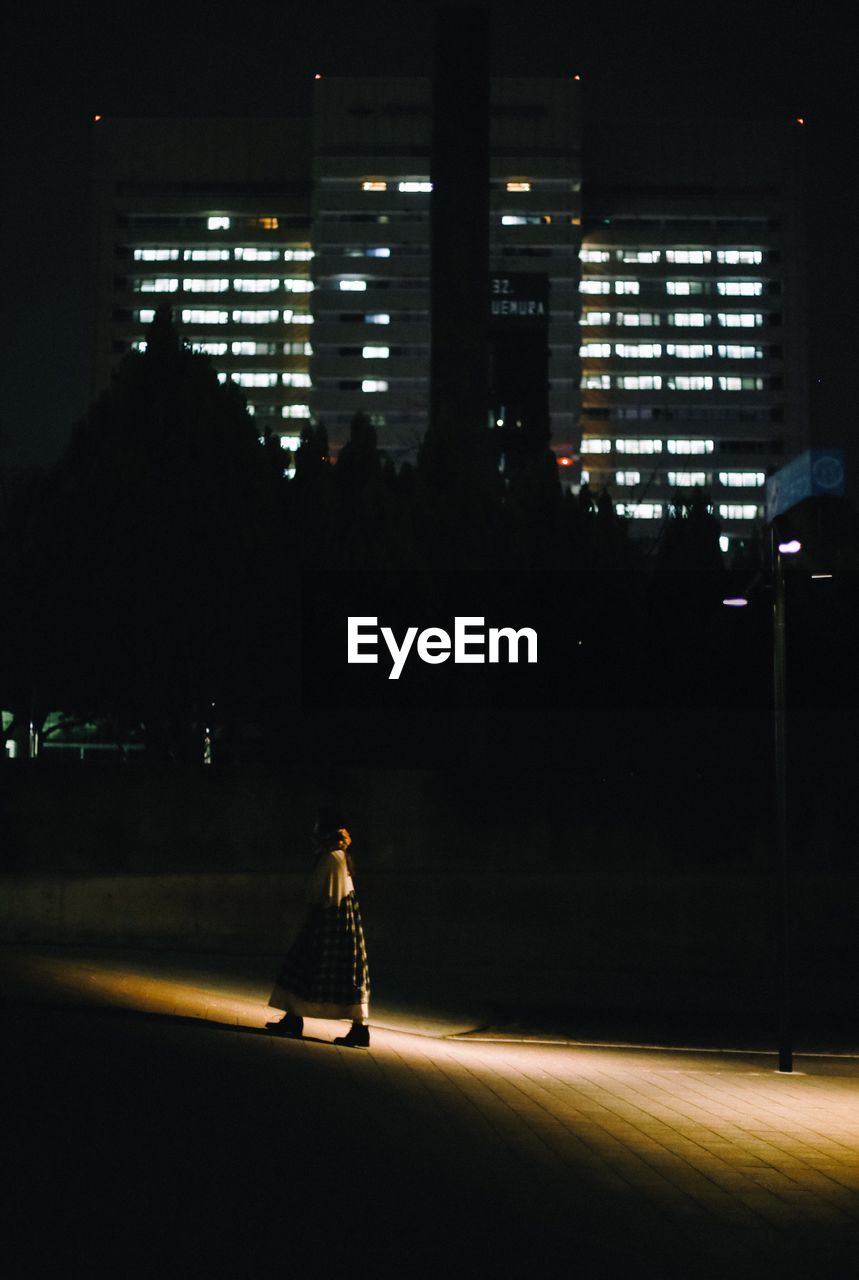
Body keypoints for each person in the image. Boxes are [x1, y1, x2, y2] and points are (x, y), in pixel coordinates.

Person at [266, 807, 371, 1047]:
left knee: (307, 966)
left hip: (328, 921)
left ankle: (354, 1028)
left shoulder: (330, 856)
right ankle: (297, 1017)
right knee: (336, 973)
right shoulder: (338, 855)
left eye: (317, 826)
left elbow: (316, 892)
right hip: (340, 921)